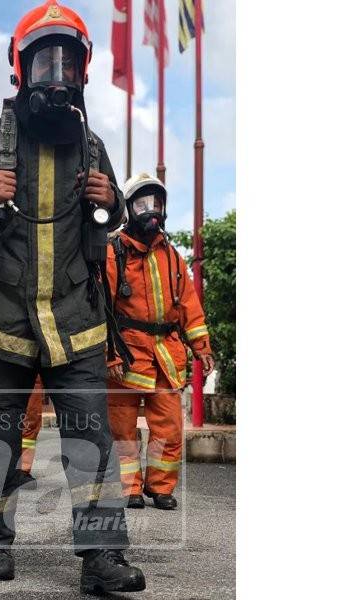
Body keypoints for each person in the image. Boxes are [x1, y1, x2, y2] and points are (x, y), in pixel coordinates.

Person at [0, 1, 146, 592]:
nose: (56, 74)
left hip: (75, 320)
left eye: (66, 63)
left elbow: (109, 218)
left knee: (90, 437)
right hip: (4, 319)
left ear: (83, 70)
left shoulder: (93, 147)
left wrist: (112, 200)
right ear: (19, 68)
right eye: (44, 61)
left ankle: (101, 558)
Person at [106, 173, 214, 510]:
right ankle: (129, 488)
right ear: (128, 210)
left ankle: (160, 486)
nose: (150, 211)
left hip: (166, 354)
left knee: (168, 427)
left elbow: (189, 306)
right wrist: (110, 353)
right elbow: (101, 311)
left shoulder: (172, 257)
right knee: (121, 430)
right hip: (125, 355)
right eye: (142, 204)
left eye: (155, 204)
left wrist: (202, 347)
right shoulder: (113, 253)